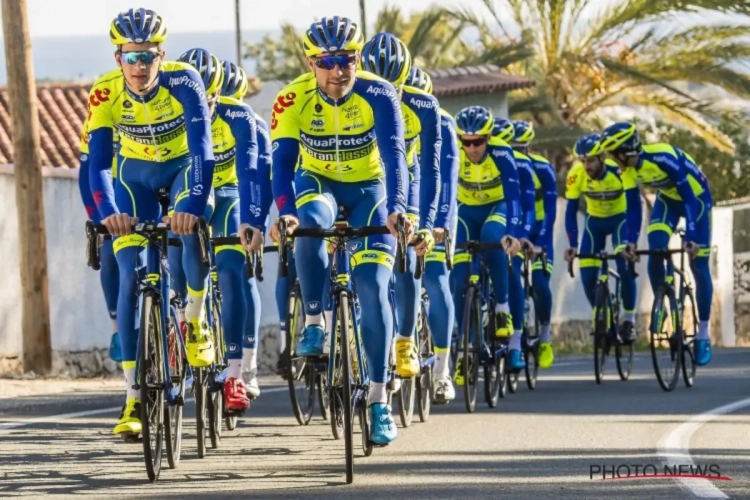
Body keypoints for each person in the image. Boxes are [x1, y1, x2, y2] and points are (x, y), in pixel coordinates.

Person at [270, 16, 411, 445]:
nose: (338, 70)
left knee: (372, 286)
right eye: (327, 61)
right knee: (309, 224)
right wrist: (286, 213)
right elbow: (281, 165)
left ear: (358, 58)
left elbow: (395, 157)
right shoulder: (290, 99)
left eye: (347, 59)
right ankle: (314, 320)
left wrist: (399, 209)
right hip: (319, 185)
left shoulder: (380, 94)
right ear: (311, 62)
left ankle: (379, 399)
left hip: (371, 191)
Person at [87, 8, 216, 436]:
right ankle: (133, 399)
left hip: (182, 170)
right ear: (117, 58)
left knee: (194, 231)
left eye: (147, 57)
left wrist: (193, 204)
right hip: (133, 179)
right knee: (129, 274)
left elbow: (202, 152)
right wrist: (110, 214)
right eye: (130, 57)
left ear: (162, 55)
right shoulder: (104, 92)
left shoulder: (185, 82)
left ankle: (195, 319)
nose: (139, 66)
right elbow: (99, 166)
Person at [600, 122, 713, 365]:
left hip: (696, 201)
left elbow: (691, 200)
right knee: (656, 248)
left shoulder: (663, 157)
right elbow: (633, 208)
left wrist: (692, 238)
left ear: (625, 152)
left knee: (699, 267)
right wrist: (629, 241)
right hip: (668, 202)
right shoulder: (628, 172)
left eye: (613, 154)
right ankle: (662, 303)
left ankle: (703, 334)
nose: (611, 159)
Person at [360, 33, 440, 379]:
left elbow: (435, 169)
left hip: (407, 176)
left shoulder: (423, 106)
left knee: (407, 254)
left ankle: (405, 342)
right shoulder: (349, 97)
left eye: (396, 90)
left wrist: (429, 222)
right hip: (366, 179)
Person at [451, 106, 522, 385]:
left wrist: (513, 234)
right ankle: (465, 347)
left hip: (497, 207)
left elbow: (515, 196)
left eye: (478, 141)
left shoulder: (503, 153)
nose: (472, 148)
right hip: (466, 210)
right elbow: (444, 187)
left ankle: (502, 311)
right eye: (466, 142)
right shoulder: (453, 150)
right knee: (459, 279)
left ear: (489, 138)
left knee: (493, 237)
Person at [403, 66, 458, 402]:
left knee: (436, 284)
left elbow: (447, 179)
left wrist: (441, 224)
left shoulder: (441, 123)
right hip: (404, 204)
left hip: (435, 210)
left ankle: (442, 371)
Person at [222, 60, 272, 398]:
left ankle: (248, 365)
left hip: (238, 198)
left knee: (242, 276)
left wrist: (258, 224)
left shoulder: (251, 124)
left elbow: (260, 180)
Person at [564, 132, 639, 343]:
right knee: (588, 277)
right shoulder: (576, 174)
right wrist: (572, 244)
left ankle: (630, 321)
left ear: (602, 158)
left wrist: (632, 238)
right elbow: (570, 212)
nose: (586, 166)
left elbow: (634, 205)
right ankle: (602, 315)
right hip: (594, 224)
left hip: (619, 221)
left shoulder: (618, 171)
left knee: (624, 267)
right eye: (583, 161)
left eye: (590, 161)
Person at [509, 120, 558, 368]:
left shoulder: (542, 169)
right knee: (508, 276)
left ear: (529, 148)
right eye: (511, 148)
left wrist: (541, 244)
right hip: (516, 230)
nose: (516, 154)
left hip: (540, 232)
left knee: (539, 283)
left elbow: (550, 212)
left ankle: (546, 337)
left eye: (520, 148)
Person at [491, 118, 537, 371]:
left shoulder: (520, 164)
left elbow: (526, 206)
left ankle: (516, 345)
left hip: (515, 225)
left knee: (511, 273)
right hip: (490, 221)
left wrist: (522, 235)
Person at [79, 117, 121, 362]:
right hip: (109, 191)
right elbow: (86, 175)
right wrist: (97, 220)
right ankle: (117, 326)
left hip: (146, 185)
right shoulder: (97, 117)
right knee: (109, 254)